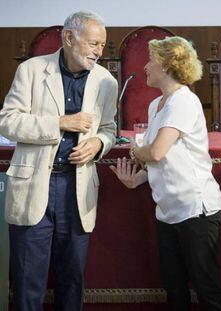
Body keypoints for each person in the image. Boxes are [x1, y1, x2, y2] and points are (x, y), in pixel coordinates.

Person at [0, 11, 117, 310]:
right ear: (68, 38)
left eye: (102, 46)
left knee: (72, 278)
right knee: (28, 279)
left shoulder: (106, 80)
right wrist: (60, 123)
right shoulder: (31, 70)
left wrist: (98, 143)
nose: (98, 52)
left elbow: (109, 129)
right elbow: (8, 122)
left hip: (76, 189)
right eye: (93, 43)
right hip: (34, 185)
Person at [110, 36, 221, 311]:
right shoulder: (156, 105)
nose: (146, 67)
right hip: (167, 210)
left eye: (151, 60)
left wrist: (133, 151)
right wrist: (136, 179)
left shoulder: (184, 101)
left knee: (206, 287)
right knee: (174, 288)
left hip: (195, 208)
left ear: (166, 64)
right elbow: (164, 160)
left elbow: (156, 152)